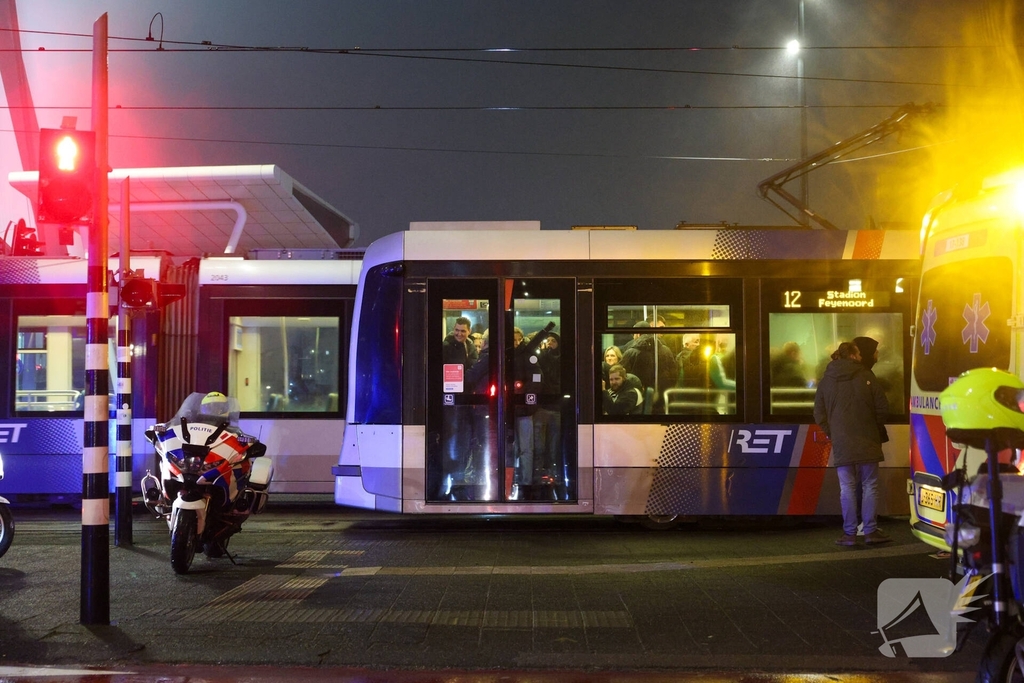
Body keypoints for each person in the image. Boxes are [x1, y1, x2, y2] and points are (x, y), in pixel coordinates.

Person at [813, 341, 891, 546]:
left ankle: (849, 534)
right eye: (859, 355)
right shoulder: (866, 376)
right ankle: (870, 531)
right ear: (854, 355)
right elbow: (882, 407)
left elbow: (819, 414)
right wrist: (872, 428)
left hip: (842, 443)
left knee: (846, 487)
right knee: (869, 485)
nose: (862, 358)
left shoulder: (826, 380)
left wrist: (834, 433)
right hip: (868, 440)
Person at [621, 321, 677, 412]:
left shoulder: (631, 352)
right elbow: (674, 374)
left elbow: (621, 374)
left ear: (638, 334)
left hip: (638, 399)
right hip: (663, 397)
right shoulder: (666, 350)